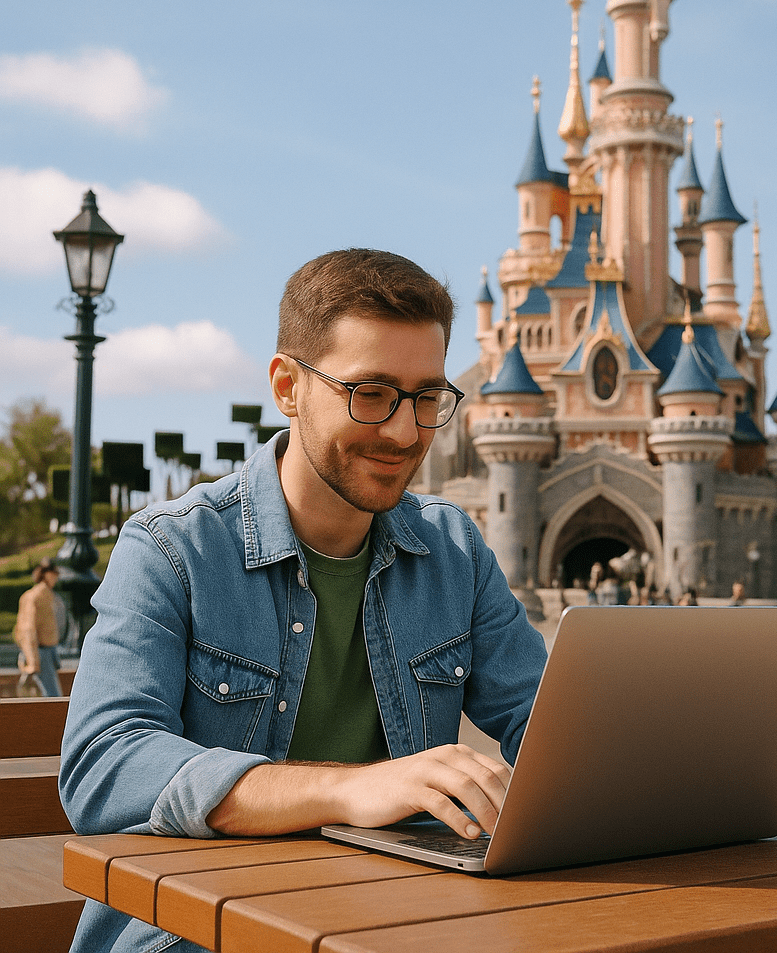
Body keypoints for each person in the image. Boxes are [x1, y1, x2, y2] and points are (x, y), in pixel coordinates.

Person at [59, 249, 549, 953]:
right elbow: (104, 767)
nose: (407, 433)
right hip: (195, 939)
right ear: (287, 387)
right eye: (371, 393)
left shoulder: (455, 550)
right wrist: (353, 791)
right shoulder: (171, 549)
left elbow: (548, 726)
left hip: (396, 929)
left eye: (426, 397)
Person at [14, 559, 64, 697]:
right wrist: (33, 661)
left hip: (47, 650)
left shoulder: (47, 595)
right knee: (53, 697)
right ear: (47, 574)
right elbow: (27, 629)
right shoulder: (35, 596)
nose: (56, 577)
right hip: (41, 652)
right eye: (54, 574)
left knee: (51, 696)